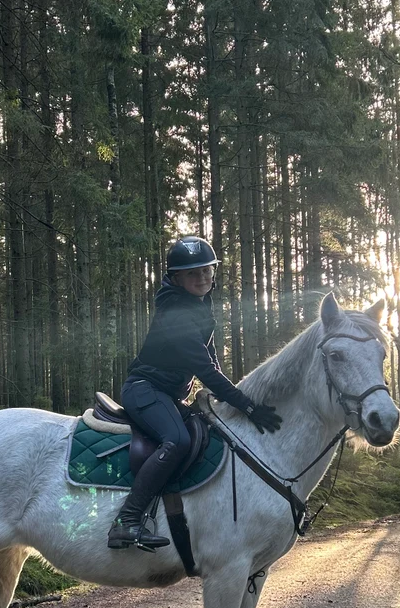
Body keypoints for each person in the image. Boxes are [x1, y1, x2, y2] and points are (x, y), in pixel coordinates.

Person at [107, 236, 282, 550]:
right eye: (192, 273)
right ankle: (127, 521)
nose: (202, 278)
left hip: (168, 395)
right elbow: (205, 370)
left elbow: (210, 354)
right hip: (144, 390)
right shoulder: (177, 314)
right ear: (176, 278)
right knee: (177, 441)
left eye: (206, 270)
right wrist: (248, 405)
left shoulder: (198, 304)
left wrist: (225, 400)